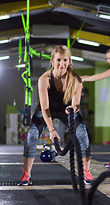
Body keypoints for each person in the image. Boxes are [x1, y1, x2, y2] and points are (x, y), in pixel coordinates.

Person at [18, 45, 92, 186]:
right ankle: (26, 174)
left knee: (82, 135)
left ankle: (86, 172)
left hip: (67, 109)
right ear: (52, 61)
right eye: (58, 60)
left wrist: (73, 108)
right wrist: (52, 130)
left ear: (69, 61)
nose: (62, 64)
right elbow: (45, 108)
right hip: (47, 109)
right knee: (32, 136)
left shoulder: (76, 79)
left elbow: (76, 104)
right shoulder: (44, 79)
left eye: (65, 60)